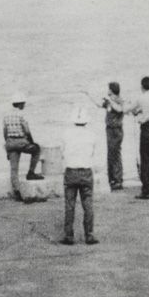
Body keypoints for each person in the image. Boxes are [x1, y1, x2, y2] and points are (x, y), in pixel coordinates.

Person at [60, 106, 99, 245]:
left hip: (71, 171)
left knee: (70, 204)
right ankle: (89, 234)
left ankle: (69, 235)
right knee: (88, 204)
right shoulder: (92, 134)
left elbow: (62, 153)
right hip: (86, 171)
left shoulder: (66, 134)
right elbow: (93, 153)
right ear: (86, 121)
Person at [2, 92, 42, 200]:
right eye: (23, 103)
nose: (24, 105)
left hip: (10, 143)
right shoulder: (21, 114)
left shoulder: (6, 115)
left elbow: (5, 132)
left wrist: (7, 147)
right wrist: (31, 142)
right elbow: (27, 130)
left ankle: (17, 191)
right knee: (37, 149)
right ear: (20, 104)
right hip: (22, 142)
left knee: (14, 168)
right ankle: (31, 172)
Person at [100, 81, 125, 191]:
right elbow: (99, 105)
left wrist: (109, 100)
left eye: (108, 89)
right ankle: (112, 179)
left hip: (116, 130)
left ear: (111, 90)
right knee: (111, 154)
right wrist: (88, 95)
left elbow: (120, 109)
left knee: (115, 154)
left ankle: (118, 180)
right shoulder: (110, 101)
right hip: (110, 129)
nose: (107, 90)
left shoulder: (119, 100)